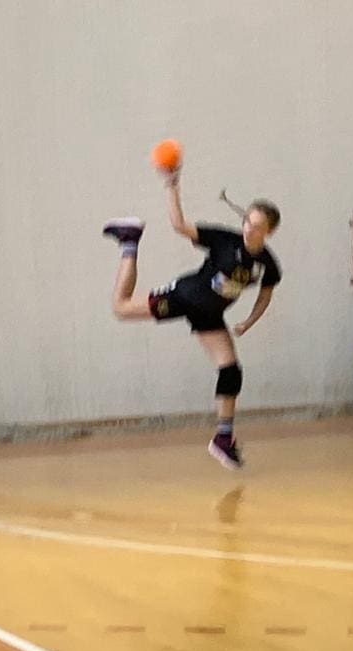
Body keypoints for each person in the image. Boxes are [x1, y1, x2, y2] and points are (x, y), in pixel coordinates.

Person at [101, 165, 281, 470]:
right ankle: (130, 240)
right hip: (186, 297)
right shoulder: (225, 240)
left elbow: (265, 294)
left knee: (231, 371)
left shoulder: (268, 264)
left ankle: (223, 439)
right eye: (247, 222)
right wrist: (172, 185)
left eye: (257, 226)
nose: (249, 229)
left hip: (209, 314)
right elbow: (179, 225)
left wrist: (249, 321)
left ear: (269, 232)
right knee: (120, 307)